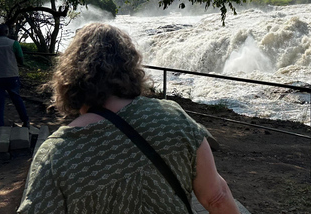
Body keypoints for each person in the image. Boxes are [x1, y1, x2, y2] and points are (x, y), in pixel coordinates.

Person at [18, 23, 239, 214]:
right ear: (131, 68)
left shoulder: (55, 156)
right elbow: (217, 198)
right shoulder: (175, 119)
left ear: (69, 78)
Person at [0, 23, 30, 127]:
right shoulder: (13, 43)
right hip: (11, 75)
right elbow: (21, 60)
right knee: (16, 99)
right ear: (6, 32)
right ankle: (25, 121)